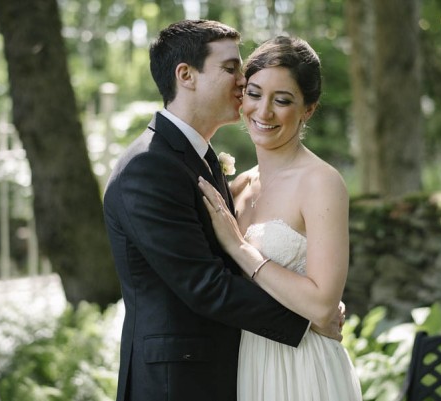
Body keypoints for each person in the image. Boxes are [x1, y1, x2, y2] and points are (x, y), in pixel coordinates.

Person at [103, 20, 343, 401]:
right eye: (231, 69)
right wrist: (308, 321)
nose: (241, 82)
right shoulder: (148, 168)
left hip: (241, 368)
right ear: (186, 75)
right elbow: (204, 285)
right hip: (176, 382)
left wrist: (314, 305)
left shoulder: (200, 159)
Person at [199, 36, 363, 401]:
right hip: (245, 364)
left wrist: (242, 250)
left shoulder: (321, 183)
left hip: (302, 369)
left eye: (283, 100)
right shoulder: (239, 186)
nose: (264, 111)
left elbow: (322, 306)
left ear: (308, 108)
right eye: (255, 93)